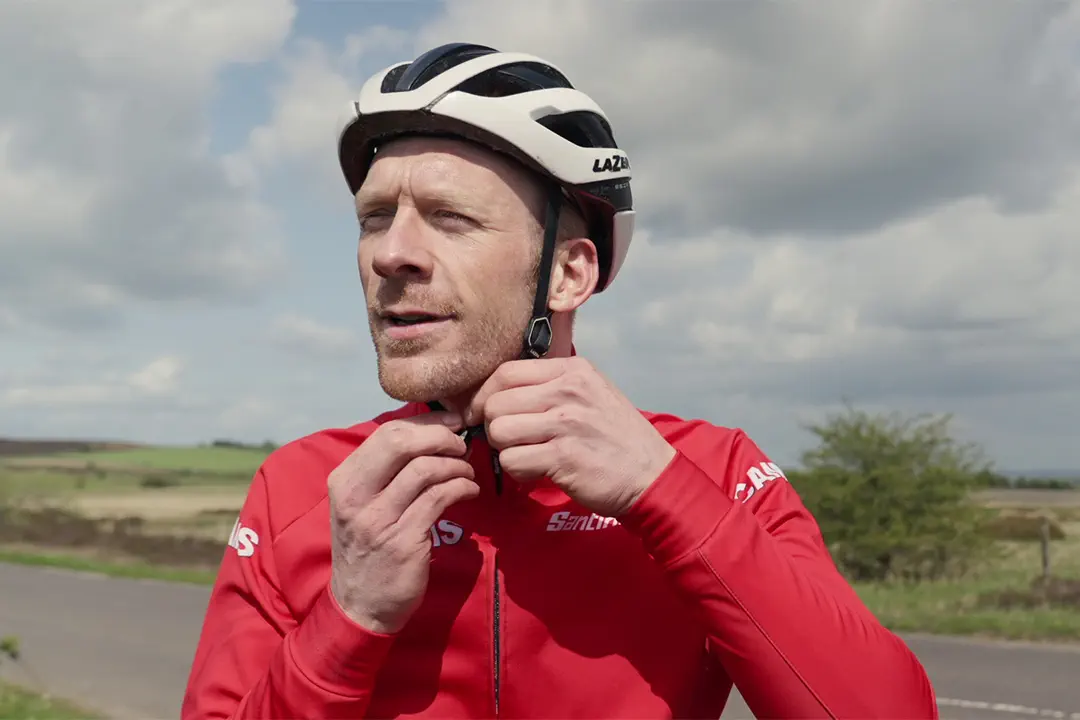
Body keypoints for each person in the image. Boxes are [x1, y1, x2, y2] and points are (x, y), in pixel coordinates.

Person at [181, 43, 938, 719]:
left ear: (570, 273)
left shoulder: (715, 473)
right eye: (374, 218)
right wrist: (350, 619)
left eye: (449, 218)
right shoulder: (303, 488)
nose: (391, 254)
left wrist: (662, 492)